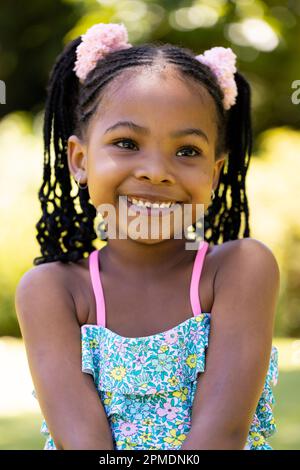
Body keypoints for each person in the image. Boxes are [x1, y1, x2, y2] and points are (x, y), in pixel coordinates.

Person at [15, 22, 280, 450]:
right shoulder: (53, 290)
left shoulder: (238, 269)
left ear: (214, 173)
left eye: (187, 151)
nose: (155, 170)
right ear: (79, 160)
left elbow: (220, 437)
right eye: (126, 143)